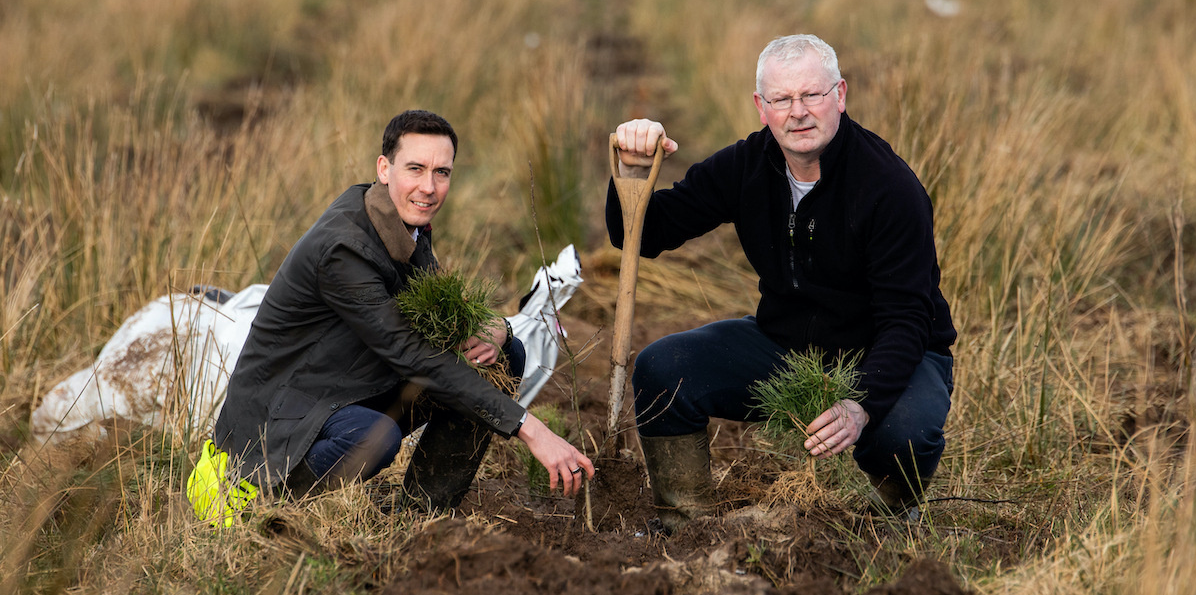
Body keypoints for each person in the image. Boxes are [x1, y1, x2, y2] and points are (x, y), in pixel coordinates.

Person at [609, 35, 955, 529]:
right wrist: (633, 170)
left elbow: (907, 320)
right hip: (787, 346)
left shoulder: (889, 188)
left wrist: (860, 406)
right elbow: (642, 233)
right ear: (761, 106)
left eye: (812, 95)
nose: (799, 112)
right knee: (664, 368)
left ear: (840, 95)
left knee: (903, 430)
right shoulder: (747, 165)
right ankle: (686, 523)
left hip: (890, 352)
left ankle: (887, 518)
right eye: (782, 99)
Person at [211, 110, 593, 513]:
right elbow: (412, 354)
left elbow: (445, 319)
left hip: (346, 386)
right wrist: (530, 429)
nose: (428, 187)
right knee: (372, 436)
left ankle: (422, 517)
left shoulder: (404, 225)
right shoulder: (344, 250)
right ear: (385, 168)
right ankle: (256, 506)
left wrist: (496, 328)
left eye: (441, 172)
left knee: (502, 358)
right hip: (278, 420)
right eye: (415, 168)